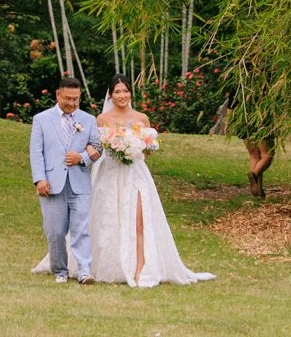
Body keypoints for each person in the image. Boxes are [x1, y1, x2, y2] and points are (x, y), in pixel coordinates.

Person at [89, 78, 214, 286]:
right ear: (110, 95)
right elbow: (100, 148)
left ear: (131, 93)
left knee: (140, 220)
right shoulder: (102, 119)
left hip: (136, 174)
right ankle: (113, 266)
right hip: (111, 174)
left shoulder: (141, 118)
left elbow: (149, 150)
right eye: (117, 92)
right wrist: (117, 147)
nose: (122, 96)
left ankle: (141, 268)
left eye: (126, 91)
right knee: (110, 219)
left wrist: (138, 146)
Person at [28, 74, 101, 283]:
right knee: (55, 232)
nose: (71, 103)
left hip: (80, 184)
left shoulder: (88, 120)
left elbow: (97, 148)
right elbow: (36, 152)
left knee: (81, 229)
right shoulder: (41, 119)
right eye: (67, 98)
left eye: (76, 99)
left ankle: (85, 271)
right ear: (58, 94)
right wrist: (39, 179)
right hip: (52, 184)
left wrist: (82, 158)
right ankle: (60, 270)